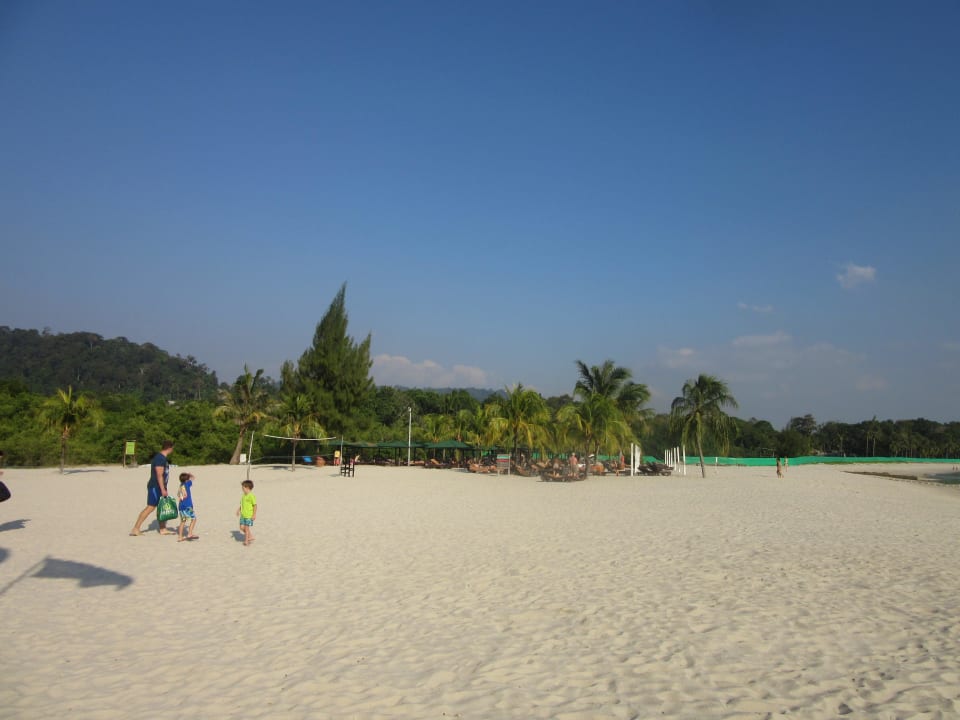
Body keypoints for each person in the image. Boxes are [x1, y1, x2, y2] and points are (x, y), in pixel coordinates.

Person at [130, 440, 174, 536]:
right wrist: (162, 489)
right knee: (150, 507)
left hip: (160, 486)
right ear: (169, 448)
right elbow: (159, 474)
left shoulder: (162, 458)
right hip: (155, 486)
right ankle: (136, 528)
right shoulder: (160, 458)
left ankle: (162, 529)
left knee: (161, 506)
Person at [177, 472, 198, 542]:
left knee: (183, 521)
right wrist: (190, 474)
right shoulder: (187, 484)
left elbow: (179, 496)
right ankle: (190, 533)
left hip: (181, 506)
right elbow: (193, 478)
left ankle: (180, 537)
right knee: (194, 519)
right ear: (186, 480)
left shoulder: (181, 486)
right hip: (188, 506)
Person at [236, 480, 257, 546]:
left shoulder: (251, 496)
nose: (242, 489)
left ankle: (246, 541)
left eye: (243, 488)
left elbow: (255, 506)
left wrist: (254, 515)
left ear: (247, 488)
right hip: (243, 515)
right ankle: (250, 536)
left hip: (248, 515)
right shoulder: (243, 496)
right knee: (241, 527)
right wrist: (238, 510)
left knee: (247, 528)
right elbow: (242, 504)